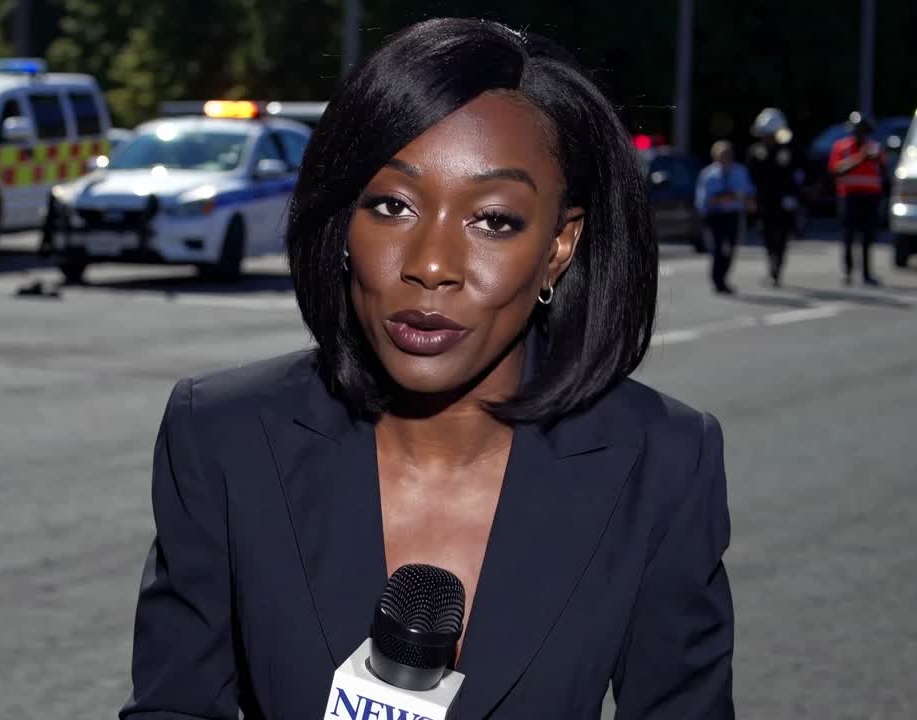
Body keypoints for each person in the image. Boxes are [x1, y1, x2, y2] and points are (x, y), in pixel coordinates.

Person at [122, 18, 734, 720]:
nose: (431, 265)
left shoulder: (662, 462)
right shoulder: (225, 436)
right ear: (343, 221)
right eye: (392, 206)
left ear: (559, 246)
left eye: (494, 220)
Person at [829, 111, 885, 286]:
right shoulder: (842, 147)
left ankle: (867, 274)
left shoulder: (875, 148)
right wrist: (861, 158)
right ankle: (848, 271)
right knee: (848, 235)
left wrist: (875, 158)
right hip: (849, 196)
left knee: (868, 236)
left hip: (870, 197)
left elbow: (884, 172)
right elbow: (836, 170)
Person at [746, 108, 801, 287]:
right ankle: (772, 266)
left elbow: (794, 176)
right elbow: (751, 177)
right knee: (767, 235)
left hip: (784, 201)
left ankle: (777, 269)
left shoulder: (788, 150)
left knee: (782, 236)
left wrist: (793, 196)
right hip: (764, 201)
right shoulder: (755, 151)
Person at [695, 139, 756, 294]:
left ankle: (723, 277)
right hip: (716, 215)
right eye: (723, 154)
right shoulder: (708, 174)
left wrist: (748, 202)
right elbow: (705, 199)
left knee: (730, 248)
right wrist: (729, 197)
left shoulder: (740, 171)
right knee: (718, 247)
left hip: (733, 215)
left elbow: (748, 192)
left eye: (729, 154)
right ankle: (717, 280)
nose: (726, 157)